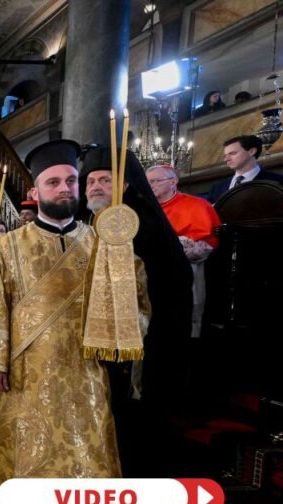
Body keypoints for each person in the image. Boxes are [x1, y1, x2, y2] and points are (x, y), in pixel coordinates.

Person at [0, 140, 145, 504]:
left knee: (89, 457)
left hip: (88, 373)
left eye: (70, 180)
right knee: (28, 456)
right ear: (36, 191)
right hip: (27, 372)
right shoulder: (11, 245)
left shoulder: (102, 243)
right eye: (52, 182)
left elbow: (135, 308)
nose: (63, 188)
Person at [80, 146, 192, 482]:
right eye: (90, 181)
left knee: (134, 427)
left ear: (125, 185)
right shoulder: (88, 221)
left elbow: (166, 283)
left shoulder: (142, 222)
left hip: (141, 348)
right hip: (95, 344)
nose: (96, 187)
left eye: (104, 179)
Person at [147, 164, 221, 338]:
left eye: (156, 181)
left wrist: (166, 248)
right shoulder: (145, 209)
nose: (151, 185)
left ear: (174, 181)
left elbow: (205, 245)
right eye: (148, 181)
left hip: (185, 272)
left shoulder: (197, 206)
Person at [207, 134, 283, 203]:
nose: (226, 159)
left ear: (251, 151)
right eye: (225, 155)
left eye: (232, 153)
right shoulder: (217, 188)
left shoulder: (278, 181)